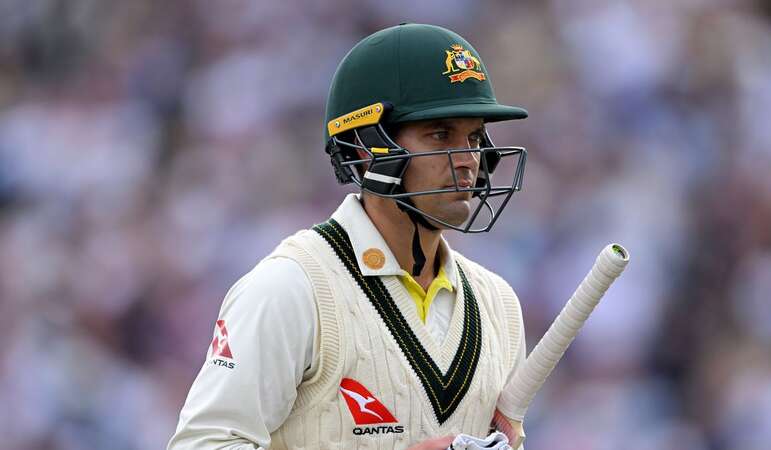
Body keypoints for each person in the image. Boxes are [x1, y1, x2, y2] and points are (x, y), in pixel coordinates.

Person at [169, 23, 529, 450]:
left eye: (473, 137)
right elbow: (203, 444)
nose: (468, 160)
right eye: (440, 135)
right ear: (365, 146)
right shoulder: (291, 288)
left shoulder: (499, 304)